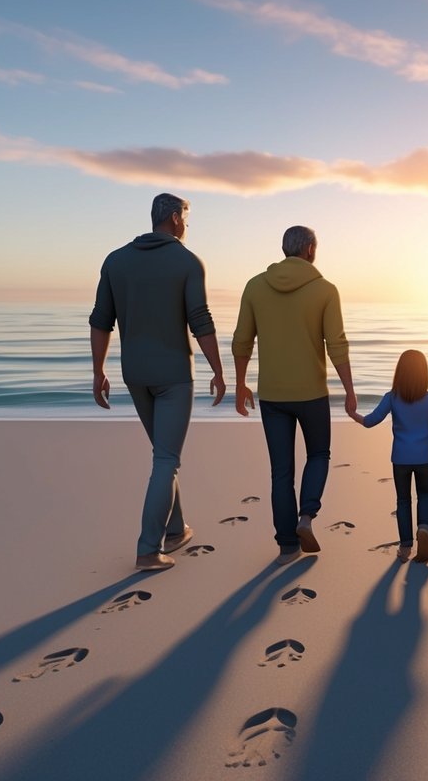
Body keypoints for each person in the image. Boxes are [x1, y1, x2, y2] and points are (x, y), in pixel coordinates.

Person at [89, 192, 226, 572]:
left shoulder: (115, 260)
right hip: (174, 376)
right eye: (186, 216)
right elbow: (200, 320)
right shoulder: (187, 261)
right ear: (174, 218)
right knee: (166, 459)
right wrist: (218, 369)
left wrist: (98, 371)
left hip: (134, 374)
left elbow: (101, 320)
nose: (187, 224)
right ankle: (148, 549)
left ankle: (175, 528)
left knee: (164, 455)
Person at [232, 225, 356, 566]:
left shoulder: (255, 286)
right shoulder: (325, 290)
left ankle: (287, 544)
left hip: (272, 394)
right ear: (312, 249)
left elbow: (242, 340)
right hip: (312, 393)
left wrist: (241, 384)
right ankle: (307, 516)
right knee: (318, 455)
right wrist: (349, 389)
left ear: (284, 248)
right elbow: (337, 344)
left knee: (280, 471)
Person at [350, 350, 428, 562]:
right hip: (425, 457)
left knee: (403, 500)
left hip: (400, 458)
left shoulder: (391, 397)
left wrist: (353, 414)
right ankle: (424, 530)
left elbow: (371, 421)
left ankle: (406, 544)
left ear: (400, 372)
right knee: (425, 495)